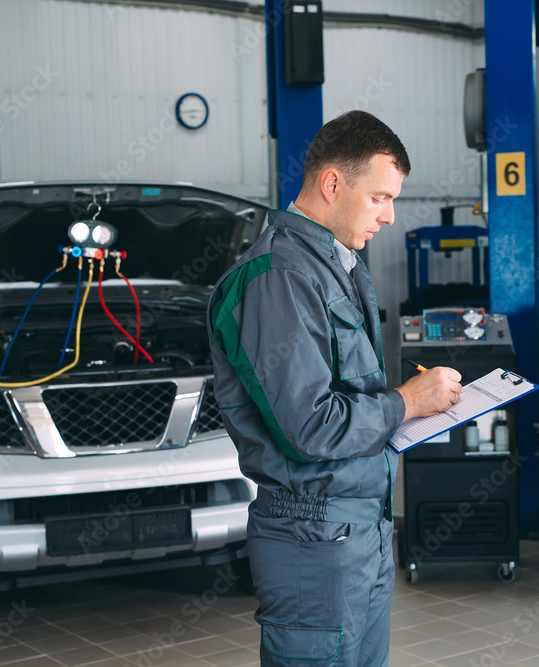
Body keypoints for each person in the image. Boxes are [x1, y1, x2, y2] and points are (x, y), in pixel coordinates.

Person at [207, 110, 462, 666]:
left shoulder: (336, 268)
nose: (389, 217)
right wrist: (407, 401)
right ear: (332, 183)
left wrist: (407, 411)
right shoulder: (279, 277)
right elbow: (310, 426)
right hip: (312, 537)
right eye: (380, 198)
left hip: (358, 528)